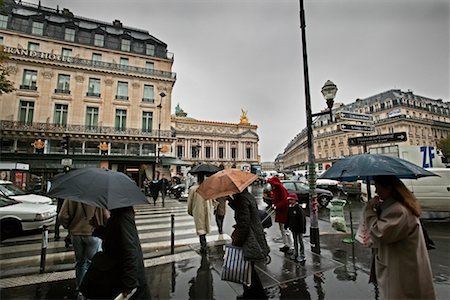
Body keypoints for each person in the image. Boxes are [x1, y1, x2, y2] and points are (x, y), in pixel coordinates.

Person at [364, 175, 436, 299]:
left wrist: (369, 212)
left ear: (389, 188)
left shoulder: (398, 210)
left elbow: (380, 233)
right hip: (405, 264)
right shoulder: (397, 206)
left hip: (402, 269)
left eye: (378, 187)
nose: (376, 191)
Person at [58, 200, 109, 293]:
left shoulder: (73, 195)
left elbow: (62, 216)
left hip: (76, 234)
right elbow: (106, 216)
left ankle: (80, 289)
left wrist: (69, 226)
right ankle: (91, 288)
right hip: (93, 232)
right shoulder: (98, 194)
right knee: (92, 263)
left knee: (80, 263)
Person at [229, 188, 270, 299]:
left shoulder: (242, 198)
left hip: (249, 237)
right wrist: (230, 200)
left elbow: (244, 222)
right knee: (248, 268)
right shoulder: (246, 196)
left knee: (248, 269)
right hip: (253, 233)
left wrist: (237, 240)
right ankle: (251, 294)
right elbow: (244, 211)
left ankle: (257, 295)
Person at [102, 206, 150, 299]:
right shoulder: (118, 215)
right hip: (123, 276)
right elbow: (116, 237)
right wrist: (99, 229)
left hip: (129, 280)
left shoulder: (123, 217)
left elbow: (130, 250)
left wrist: (129, 285)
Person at [267, 176, 293, 254]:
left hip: (284, 211)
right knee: (282, 229)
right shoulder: (276, 189)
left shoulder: (280, 189)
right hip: (280, 211)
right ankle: (286, 244)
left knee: (286, 230)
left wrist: (277, 205)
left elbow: (285, 201)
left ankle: (291, 246)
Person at [187, 173, 212, 253]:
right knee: (204, 228)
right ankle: (204, 244)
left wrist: (190, 211)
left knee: (201, 229)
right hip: (207, 210)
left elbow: (190, 202)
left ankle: (203, 246)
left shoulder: (193, 189)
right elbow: (211, 201)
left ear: (197, 179)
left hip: (198, 211)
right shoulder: (207, 188)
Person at [284, 193, 306, 262]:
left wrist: (302, 229)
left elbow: (302, 220)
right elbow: (288, 217)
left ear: (295, 200)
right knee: (295, 241)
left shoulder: (298, 209)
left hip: (299, 228)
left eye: (291, 200)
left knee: (300, 241)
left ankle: (302, 255)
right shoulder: (290, 208)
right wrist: (286, 225)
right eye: (289, 200)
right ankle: (295, 253)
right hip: (293, 228)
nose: (290, 201)